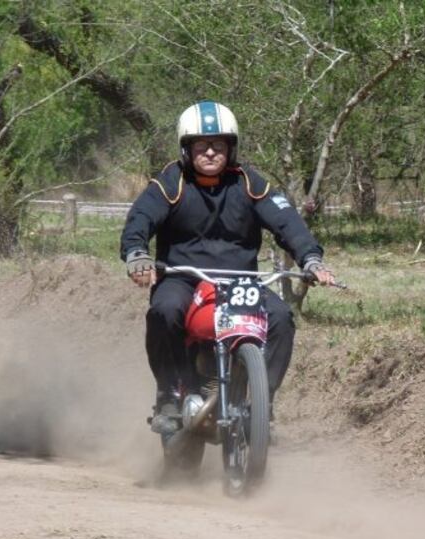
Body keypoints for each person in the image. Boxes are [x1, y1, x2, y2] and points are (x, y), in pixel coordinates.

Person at [120, 100, 336, 430]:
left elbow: (286, 221)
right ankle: (169, 395)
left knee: (280, 317)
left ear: (231, 148)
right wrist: (137, 254)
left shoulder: (249, 183)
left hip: (241, 283)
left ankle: (263, 404)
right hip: (184, 279)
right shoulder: (170, 183)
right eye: (201, 145)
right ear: (186, 148)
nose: (209, 152)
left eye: (218, 145)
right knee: (164, 310)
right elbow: (141, 218)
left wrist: (311, 257)